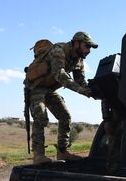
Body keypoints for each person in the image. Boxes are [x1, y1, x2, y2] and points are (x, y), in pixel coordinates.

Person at [24, 31, 98, 164]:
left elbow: (80, 81)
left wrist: (93, 91)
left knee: (65, 116)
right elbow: (60, 75)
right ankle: (38, 155)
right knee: (40, 116)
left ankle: (62, 152)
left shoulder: (79, 60)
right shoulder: (59, 50)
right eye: (86, 46)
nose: (88, 51)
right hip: (36, 87)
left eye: (90, 48)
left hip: (50, 89)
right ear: (76, 43)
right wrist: (81, 90)